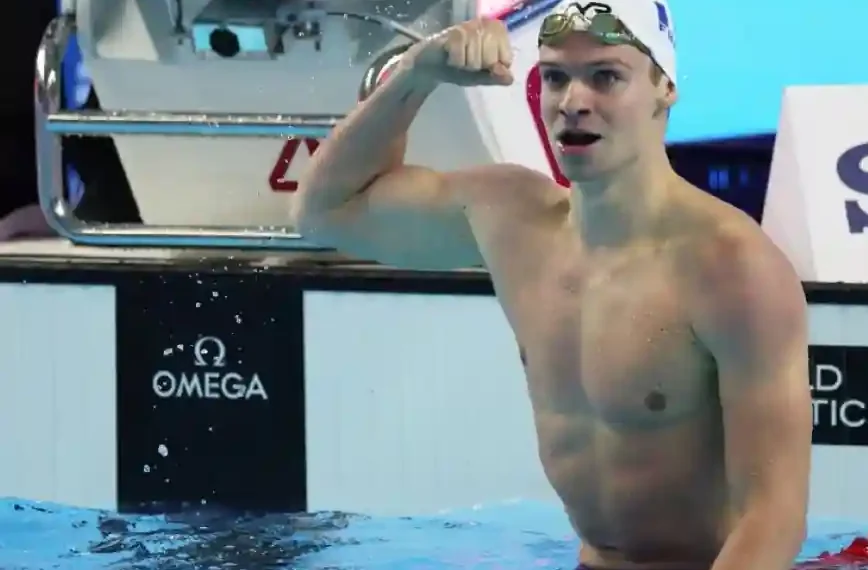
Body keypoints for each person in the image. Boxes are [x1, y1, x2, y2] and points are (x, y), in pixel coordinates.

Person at [293, 1, 812, 568]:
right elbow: (325, 210)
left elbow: (773, 516)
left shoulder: (731, 267)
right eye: (557, 78)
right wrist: (417, 73)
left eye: (606, 77)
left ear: (665, 88)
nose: (573, 102)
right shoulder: (513, 220)